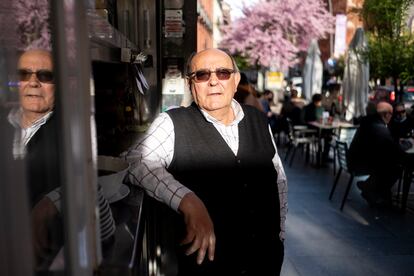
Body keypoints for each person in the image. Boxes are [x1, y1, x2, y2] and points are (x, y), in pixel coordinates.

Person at [125, 48, 287, 275]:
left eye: (223, 73)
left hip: (266, 260)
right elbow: (136, 162)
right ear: (190, 84)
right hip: (209, 265)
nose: (213, 82)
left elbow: (278, 179)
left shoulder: (258, 119)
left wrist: (279, 234)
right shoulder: (172, 122)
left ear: (236, 79)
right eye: (202, 75)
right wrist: (188, 200)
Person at [348, 101, 410, 207]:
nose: (393, 117)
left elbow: (385, 145)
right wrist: (408, 144)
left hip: (355, 159)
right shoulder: (378, 127)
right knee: (396, 168)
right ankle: (370, 189)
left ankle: (370, 188)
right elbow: (394, 150)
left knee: (388, 162)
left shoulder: (369, 122)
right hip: (359, 164)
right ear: (386, 114)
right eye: (392, 114)